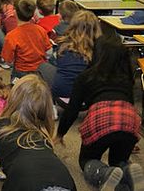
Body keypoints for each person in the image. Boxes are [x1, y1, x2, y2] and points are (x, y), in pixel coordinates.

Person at [57, 36, 144, 191]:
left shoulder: (85, 77)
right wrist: (133, 136)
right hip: (129, 119)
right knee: (118, 159)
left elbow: (72, 109)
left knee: (87, 160)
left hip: (102, 118)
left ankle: (104, 174)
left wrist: (60, 134)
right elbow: (129, 102)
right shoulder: (126, 77)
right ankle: (127, 170)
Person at [38, 10, 102, 98]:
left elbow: (55, 62)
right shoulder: (101, 48)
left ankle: (46, 101)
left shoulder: (63, 44)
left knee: (42, 66)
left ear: (72, 25)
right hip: (89, 93)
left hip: (62, 91)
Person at [1, 0, 52, 80]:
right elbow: (49, 52)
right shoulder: (41, 30)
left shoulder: (12, 36)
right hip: (40, 71)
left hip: (21, 72)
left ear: (15, 12)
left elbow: (8, 61)